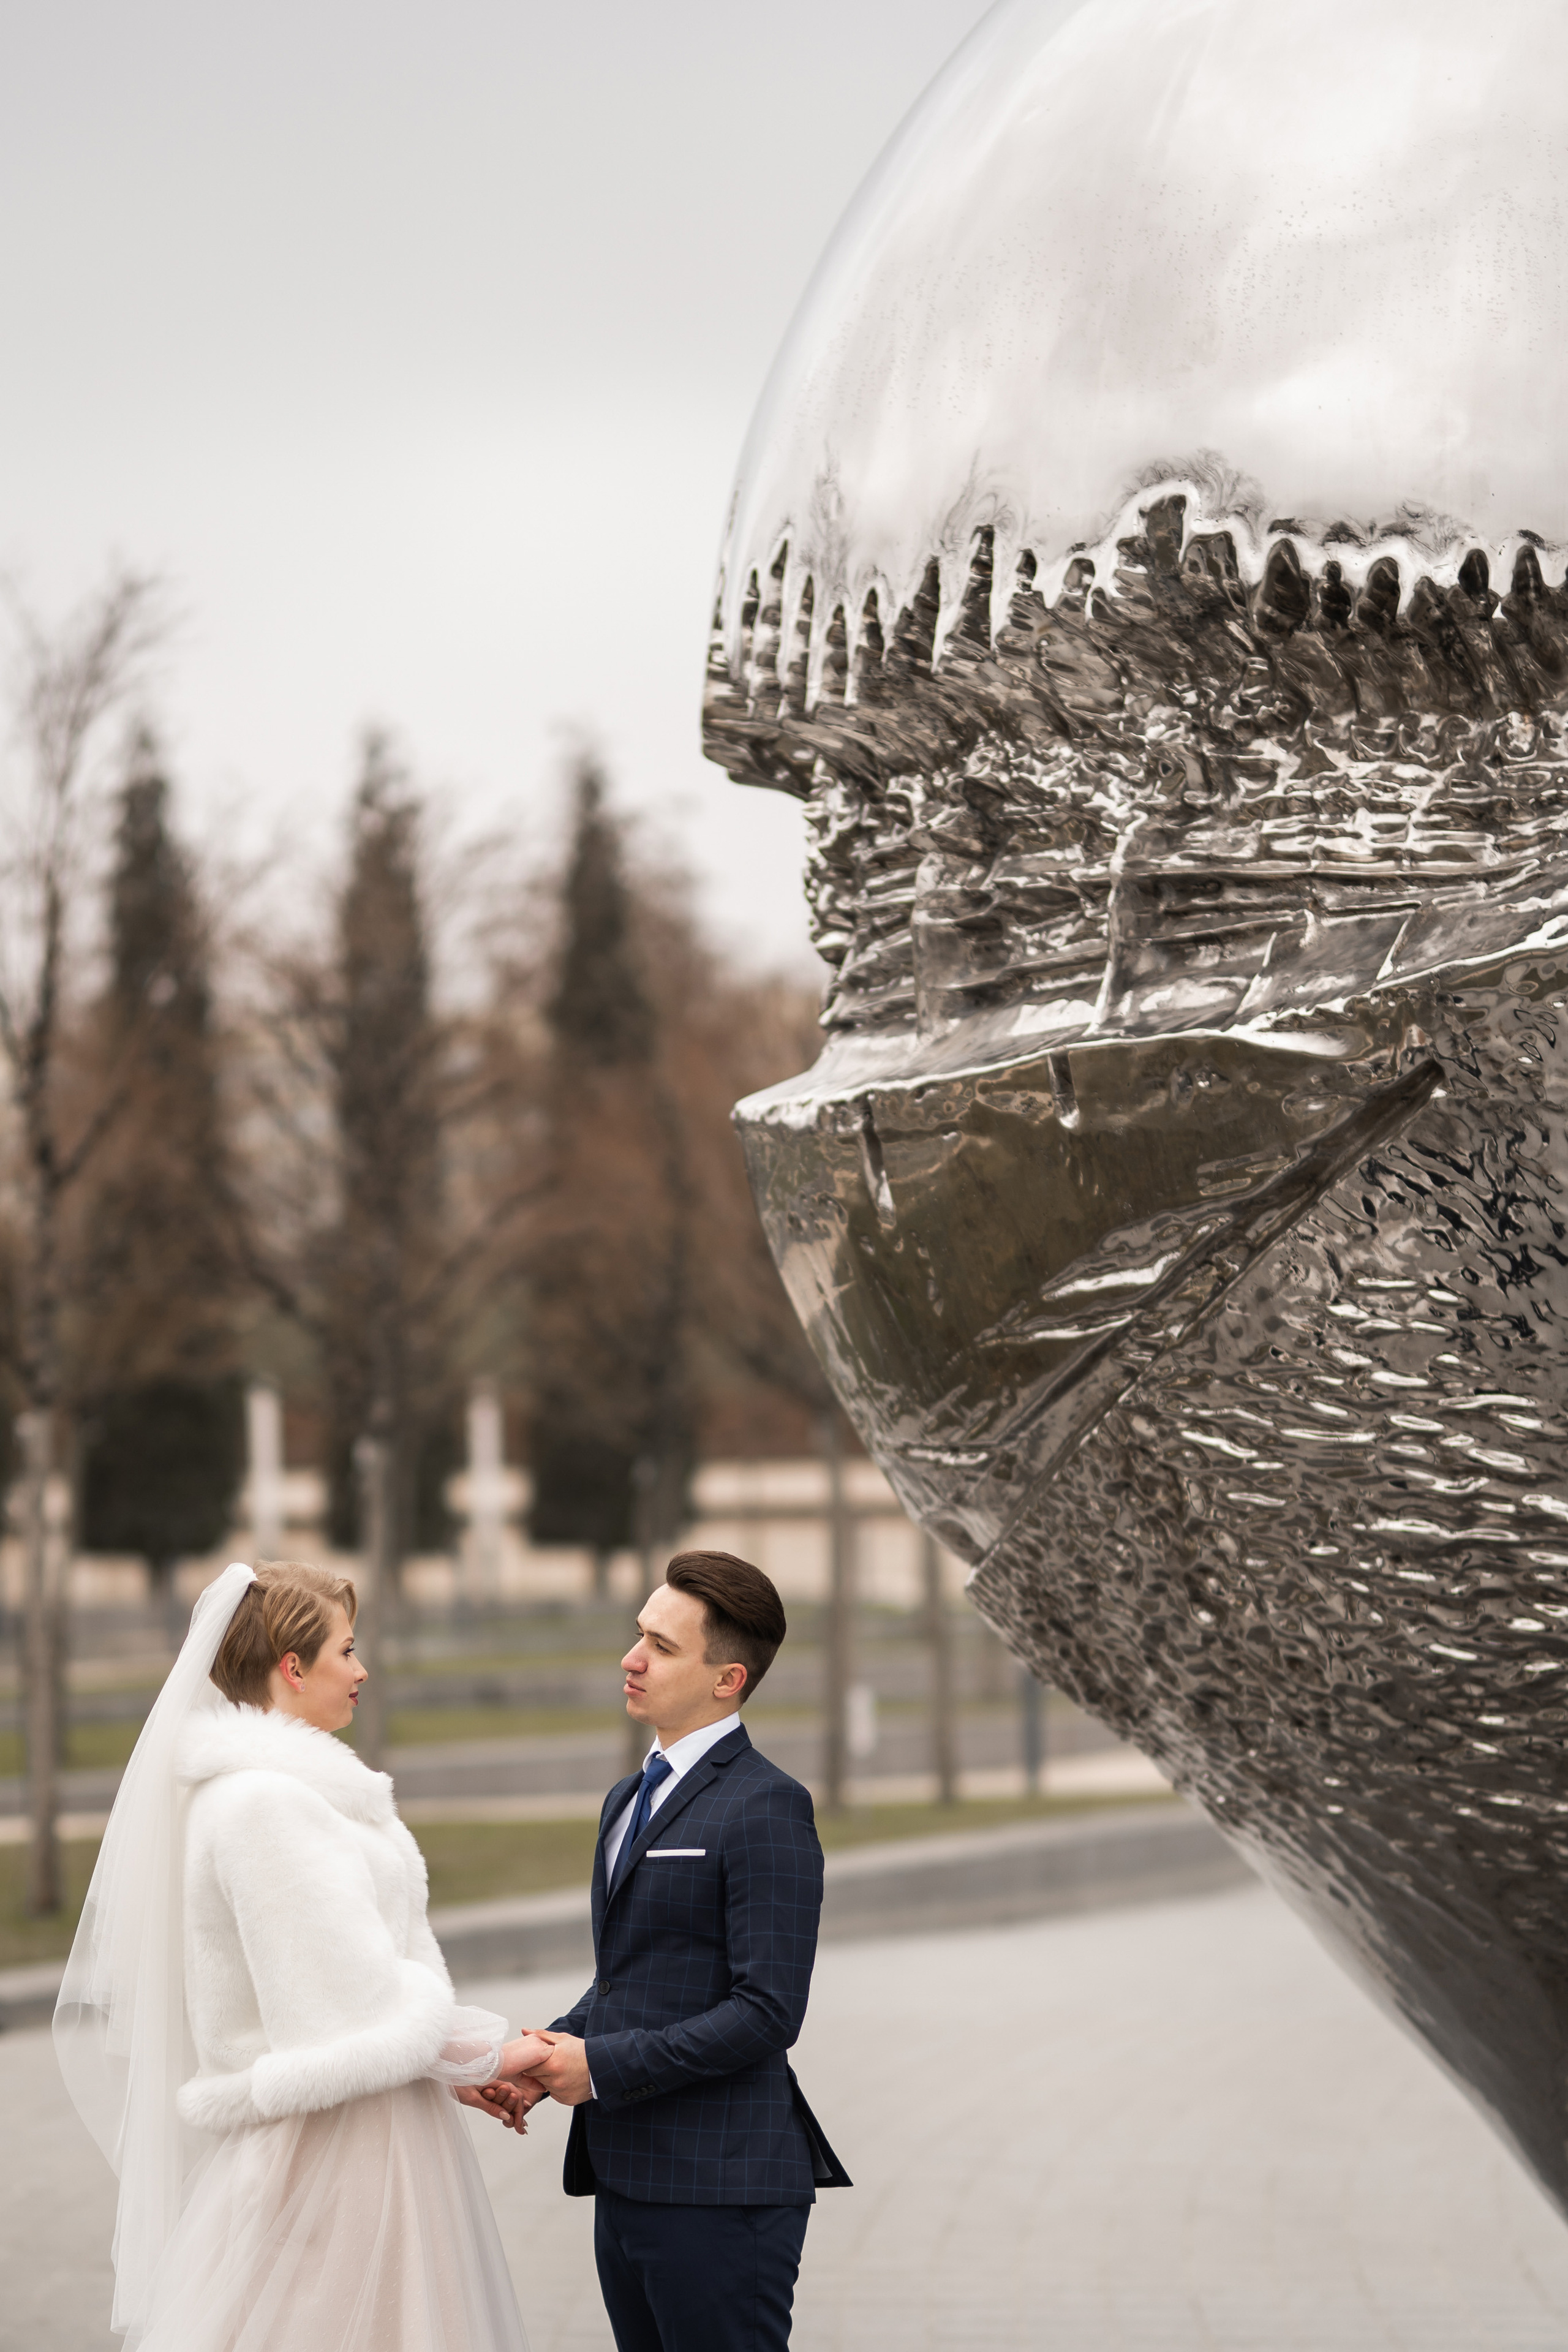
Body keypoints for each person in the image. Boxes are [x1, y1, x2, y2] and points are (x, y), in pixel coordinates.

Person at [54, 1559, 551, 2351]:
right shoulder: (265, 1804)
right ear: (293, 1666)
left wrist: (460, 2064)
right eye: (346, 1650)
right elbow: (350, 2006)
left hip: (361, 2121)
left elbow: (365, 1983)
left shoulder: (288, 1795)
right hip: (333, 2150)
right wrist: (501, 2050)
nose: (361, 1670)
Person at [483, 1549, 850, 2352]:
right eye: (638, 1633)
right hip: (625, 2177)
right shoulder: (628, 1797)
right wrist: (539, 2060)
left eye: (662, 1645)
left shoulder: (768, 1807)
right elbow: (631, 1977)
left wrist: (602, 2069)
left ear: (729, 1680)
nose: (633, 1657)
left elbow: (767, 2013)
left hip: (720, 2192)